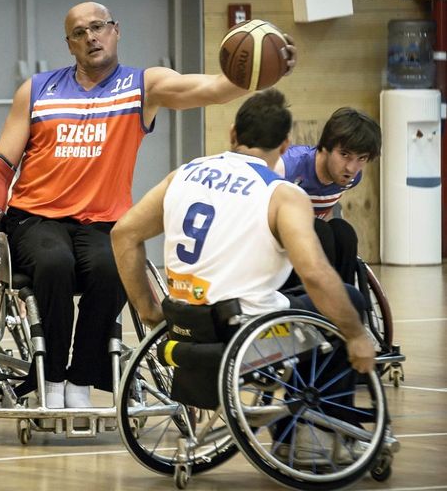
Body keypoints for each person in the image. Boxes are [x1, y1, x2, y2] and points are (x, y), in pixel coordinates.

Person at [0, 1, 296, 409]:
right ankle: (48, 380)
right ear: (69, 45)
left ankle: (82, 380)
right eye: (80, 32)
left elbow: (213, 88)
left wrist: (266, 68)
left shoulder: (143, 85)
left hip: (101, 223)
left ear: (116, 30)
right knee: (54, 264)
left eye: (99, 26)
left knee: (114, 266)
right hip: (36, 218)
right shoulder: (36, 90)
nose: (91, 36)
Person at [111, 88, 375, 371]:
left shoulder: (183, 174)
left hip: (184, 320)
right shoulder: (280, 193)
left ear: (233, 133)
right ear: (285, 145)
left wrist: (148, 310)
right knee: (349, 298)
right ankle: (313, 411)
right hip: (243, 329)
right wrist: (357, 335)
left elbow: (123, 234)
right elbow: (314, 273)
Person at [275, 108, 381, 285]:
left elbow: (325, 208)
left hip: (308, 246)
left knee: (343, 232)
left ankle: (345, 297)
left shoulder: (351, 178)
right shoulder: (287, 166)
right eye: (344, 155)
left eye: (361, 158)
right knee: (319, 231)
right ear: (326, 147)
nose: (351, 168)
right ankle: (318, 300)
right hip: (277, 250)